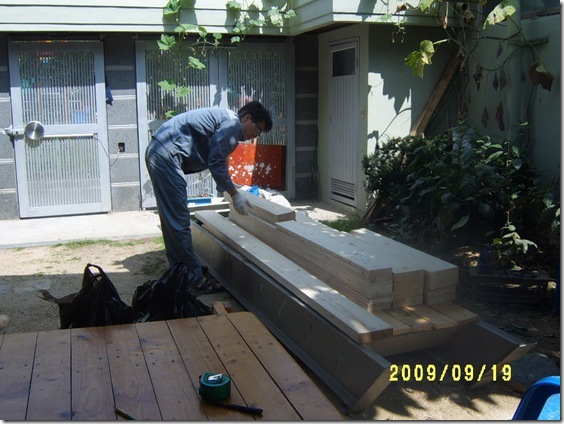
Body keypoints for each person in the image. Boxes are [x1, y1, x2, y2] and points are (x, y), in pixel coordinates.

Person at [145, 101, 273, 294]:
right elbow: (216, 162)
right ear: (247, 118)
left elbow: (217, 159)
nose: (255, 136)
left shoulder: (226, 121)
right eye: (258, 129)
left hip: (160, 152)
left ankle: (182, 271)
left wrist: (233, 187)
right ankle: (195, 280)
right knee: (179, 222)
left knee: (172, 221)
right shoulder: (233, 124)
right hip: (166, 156)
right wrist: (234, 195)